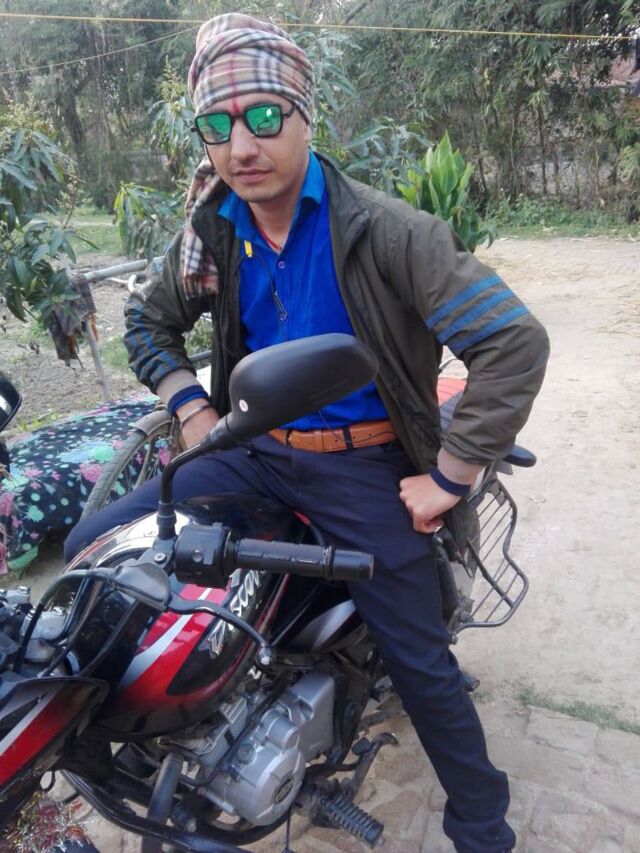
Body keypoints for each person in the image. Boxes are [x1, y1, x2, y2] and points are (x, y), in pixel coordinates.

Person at [65, 13, 549, 852]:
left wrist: (451, 472)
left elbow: (513, 341)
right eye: (218, 125)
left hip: (364, 468)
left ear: (303, 115)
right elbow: (147, 323)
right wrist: (192, 407)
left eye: (263, 117)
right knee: (91, 554)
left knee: (420, 662)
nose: (240, 145)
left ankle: (482, 822)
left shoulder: (389, 232)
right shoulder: (216, 230)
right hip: (253, 453)